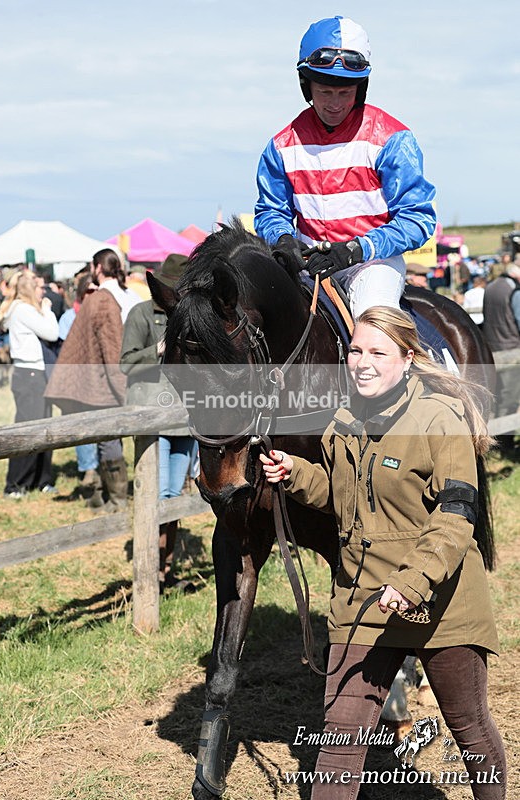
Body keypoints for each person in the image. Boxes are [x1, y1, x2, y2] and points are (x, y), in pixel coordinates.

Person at [260, 306, 506, 800]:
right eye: (355, 350)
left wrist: (413, 581)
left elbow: (456, 517)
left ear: (408, 358)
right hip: (363, 599)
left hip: (443, 602)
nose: (362, 362)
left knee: (470, 729)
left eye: (378, 352)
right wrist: (297, 474)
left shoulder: (440, 418)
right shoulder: (345, 419)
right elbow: (343, 495)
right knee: (339, 742)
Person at [254, 15, 436, 317]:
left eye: (345, 92)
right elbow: (271, 212)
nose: (335, 103)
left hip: (373, 264)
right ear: (306, 86)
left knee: (373, 328)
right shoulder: (280, 146)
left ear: (360, 88)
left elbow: (418, 219)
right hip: (308, 265)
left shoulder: (394, 139)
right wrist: (283, 238)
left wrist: (357, 249)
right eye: (324, 91)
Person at [120, 254, 198, 589]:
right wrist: (160, 350)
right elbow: (125, 364)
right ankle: (149, 572)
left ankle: (165, 570)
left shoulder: (190, 315)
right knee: (158, 496)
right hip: (153, 417)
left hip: (184, 418)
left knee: (174, 498)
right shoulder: (140, 314)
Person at [45, 249, 138, 512]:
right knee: (107, 439)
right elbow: (112, 348)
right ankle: (109, 496)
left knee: (105, 440)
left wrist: (119, 386)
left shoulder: (101, 299)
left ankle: (112, 497)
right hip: (108, 382)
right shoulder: (115, 297)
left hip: (102, 382)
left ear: (97, 267)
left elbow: (111, 348)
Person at [0, 270, 59, 498]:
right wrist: (47, 310)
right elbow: (52, 333)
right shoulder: (22, 309)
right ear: (29, 289)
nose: (43, 291)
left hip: (34, 373)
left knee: (44, 428)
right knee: (27, 430)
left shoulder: (21, 309)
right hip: (29, 374)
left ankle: (40, 480)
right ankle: (14, 484)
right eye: (39, 287)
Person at [57, 272, 100, 491]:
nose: (93, 295)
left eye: (96, 291)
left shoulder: (104, 314)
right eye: (89, 291)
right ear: (82, 293)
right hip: (78, 379)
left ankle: (102, 469)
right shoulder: (68, 317)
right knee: (83, 424)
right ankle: (88, 469)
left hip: (99, 379)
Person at [482, 261, 520, 453]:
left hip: (492, 347)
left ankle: (495, 441)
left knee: (497, 396)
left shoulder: (490, 287)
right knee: (510, 398)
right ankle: (506, 444)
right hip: (512, 349)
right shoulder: (515, 291)